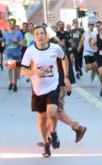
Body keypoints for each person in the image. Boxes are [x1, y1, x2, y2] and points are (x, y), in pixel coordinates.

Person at [20, 25, 70, 158]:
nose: (40, 36)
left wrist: (65, 76)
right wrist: (34, 72)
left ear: (46, 35)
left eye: (42, 33)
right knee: (42, 117)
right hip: (38, 88)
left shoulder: (55, 48)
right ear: (34, 36)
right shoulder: (30, 51)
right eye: (37, 34)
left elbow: (64, 58)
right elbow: (23, 70)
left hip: (53, 85)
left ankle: (53, 133)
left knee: (52, 112)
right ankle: (45, 142)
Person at [2, 18, 25, 92]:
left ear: (15, 24)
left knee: (16, 70)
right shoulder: (5, 33)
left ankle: (15, 83)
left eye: (12, 23)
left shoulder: (18, 33)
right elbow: (3, 42)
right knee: (10, 68)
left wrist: (17, 42)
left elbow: (22, 44)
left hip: (17, 53)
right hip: (9, 53)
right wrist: (4, 44)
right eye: (9, 23)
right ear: (8, 24)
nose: (11, 24)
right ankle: (11, 82)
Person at [82, 20, 98, 85]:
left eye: (92, 26)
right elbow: (81, 41)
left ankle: (92, 81)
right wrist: (81, 48)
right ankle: (86, 67)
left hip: (94, 52)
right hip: (87, 52)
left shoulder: (96, 33)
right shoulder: (84, 34)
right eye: (90, 25)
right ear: (88, 26)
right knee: (90, 67)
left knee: (94, 68)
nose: (91, 27)